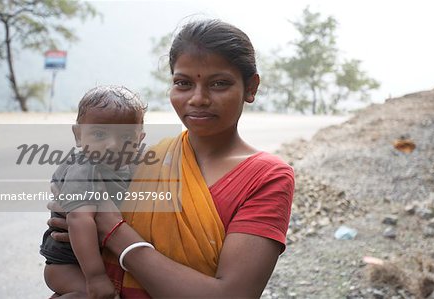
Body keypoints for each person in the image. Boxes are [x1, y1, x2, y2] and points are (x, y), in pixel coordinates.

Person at [47, 19, 294, 298]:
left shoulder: (266, 177)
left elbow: (233, 294)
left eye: (219, 83)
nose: (198, 99)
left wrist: (111, 229)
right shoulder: (144, 158)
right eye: (183, 83)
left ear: (251, 87)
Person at [40, 86, 146, 298]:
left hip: (105, 258)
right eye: (99, 134)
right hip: (69, 266)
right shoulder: (84, 167)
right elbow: (80, 220)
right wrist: (96, 277)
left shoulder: (132, 165)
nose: (113, 145)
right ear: (78, 135)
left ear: (139, 139)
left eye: (126, 137)